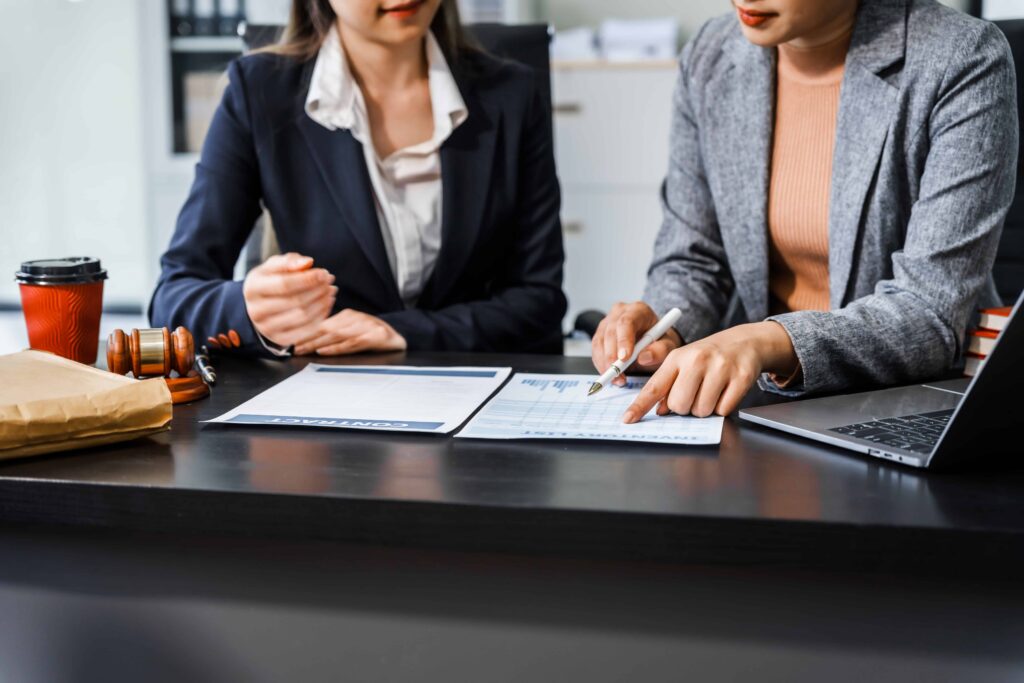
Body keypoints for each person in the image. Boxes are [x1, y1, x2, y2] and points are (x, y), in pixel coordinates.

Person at [592, 0, 1018, 422]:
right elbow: (693, 258)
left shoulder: (961, 56)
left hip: (909, 407)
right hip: (762, 405)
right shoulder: (710, 54)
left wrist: (768, 341)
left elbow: (928, 313)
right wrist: (662, 329)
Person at [150, 0, 566, 357]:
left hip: (474, 405)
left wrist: (405, 332)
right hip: (323, 407)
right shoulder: (258, 92)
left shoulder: (512, 95)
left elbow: (540, 301)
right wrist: (248, 309)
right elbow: (173, 300)